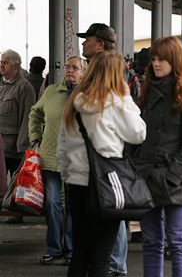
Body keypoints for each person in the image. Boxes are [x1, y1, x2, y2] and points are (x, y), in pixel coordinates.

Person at [57, 51, 146, 277]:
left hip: (77, 185)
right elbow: (138, 133)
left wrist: (69, 177)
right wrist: (127, 99)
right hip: (106, 184)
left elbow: (62, 148)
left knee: (80, 251)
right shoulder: (114, 103)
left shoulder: (74, 103)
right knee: (101, 254)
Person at [129, 36, 182, 277]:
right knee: (151, 242)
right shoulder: (147, 89)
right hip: (147, 176)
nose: (156, 63)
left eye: (162, 59)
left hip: (176, 180)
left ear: (175, 60)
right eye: (153, 59)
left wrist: (172, 176)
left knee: (179, 241)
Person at [77, 22, 140, 276]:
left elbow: (132, 127)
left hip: (107, 160)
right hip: (99, 160)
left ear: (100, 44)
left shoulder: (110, 71)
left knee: (111, 215)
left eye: (88, 39)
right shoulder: (100, 70)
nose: (83, 43)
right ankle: (112, 264)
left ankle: (116, 265)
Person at [29, 56, 85, 266]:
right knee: (52, 204)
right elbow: (35, 114)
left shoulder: (86, 94)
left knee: (73, 206)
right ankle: (54, 248)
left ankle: (71, 251)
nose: (70, 71)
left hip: (77, 160)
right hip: (51, 156)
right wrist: (35, 137)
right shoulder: (52, 91)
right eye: (67, 67)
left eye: (75, 68)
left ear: (83, 72)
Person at [0, 49, 36, 224]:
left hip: (14, 145)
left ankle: (15, 211)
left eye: (5, 62)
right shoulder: (2, 84)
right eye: (1, 62)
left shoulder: (24, 87)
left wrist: (23, 144)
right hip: (1, 144)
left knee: (16, 180)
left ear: (15, 65)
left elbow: (27, 117)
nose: (1, 65)